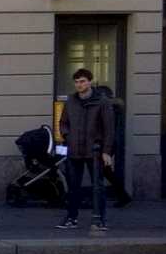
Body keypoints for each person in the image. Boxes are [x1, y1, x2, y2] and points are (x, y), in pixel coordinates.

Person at [57, 68, 115, 233]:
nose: (79, 85)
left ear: (90, 82)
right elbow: (63, 123)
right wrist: (67, 136)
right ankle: (71, 218)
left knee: (98, 186)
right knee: (73, 186)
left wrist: (106, 151)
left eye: (82, 81)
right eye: (76, 82)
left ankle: (99, 220)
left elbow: (109, 129)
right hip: (74, 150)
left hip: (95, 151)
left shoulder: (102, 102)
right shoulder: (70, 101)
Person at [89, 83, 132, 208]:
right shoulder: (113, 108)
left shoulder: (108, 109)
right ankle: (123, 196)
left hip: (105, 144)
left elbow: (105, 129)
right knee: (105, 172)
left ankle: (99, 199)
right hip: (108, 143)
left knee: (100, 171)